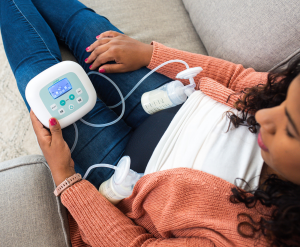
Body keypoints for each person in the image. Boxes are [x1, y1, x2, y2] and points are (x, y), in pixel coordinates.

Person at [1, 0, 299, 246]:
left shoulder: (254, 238)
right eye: (282, 103)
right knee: (87, 30)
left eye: (289, 129)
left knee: (38, 75)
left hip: (122, 169)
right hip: (172, 97)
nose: (261, 117)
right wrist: (150, 53)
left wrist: (66, 179)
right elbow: (237, 79)